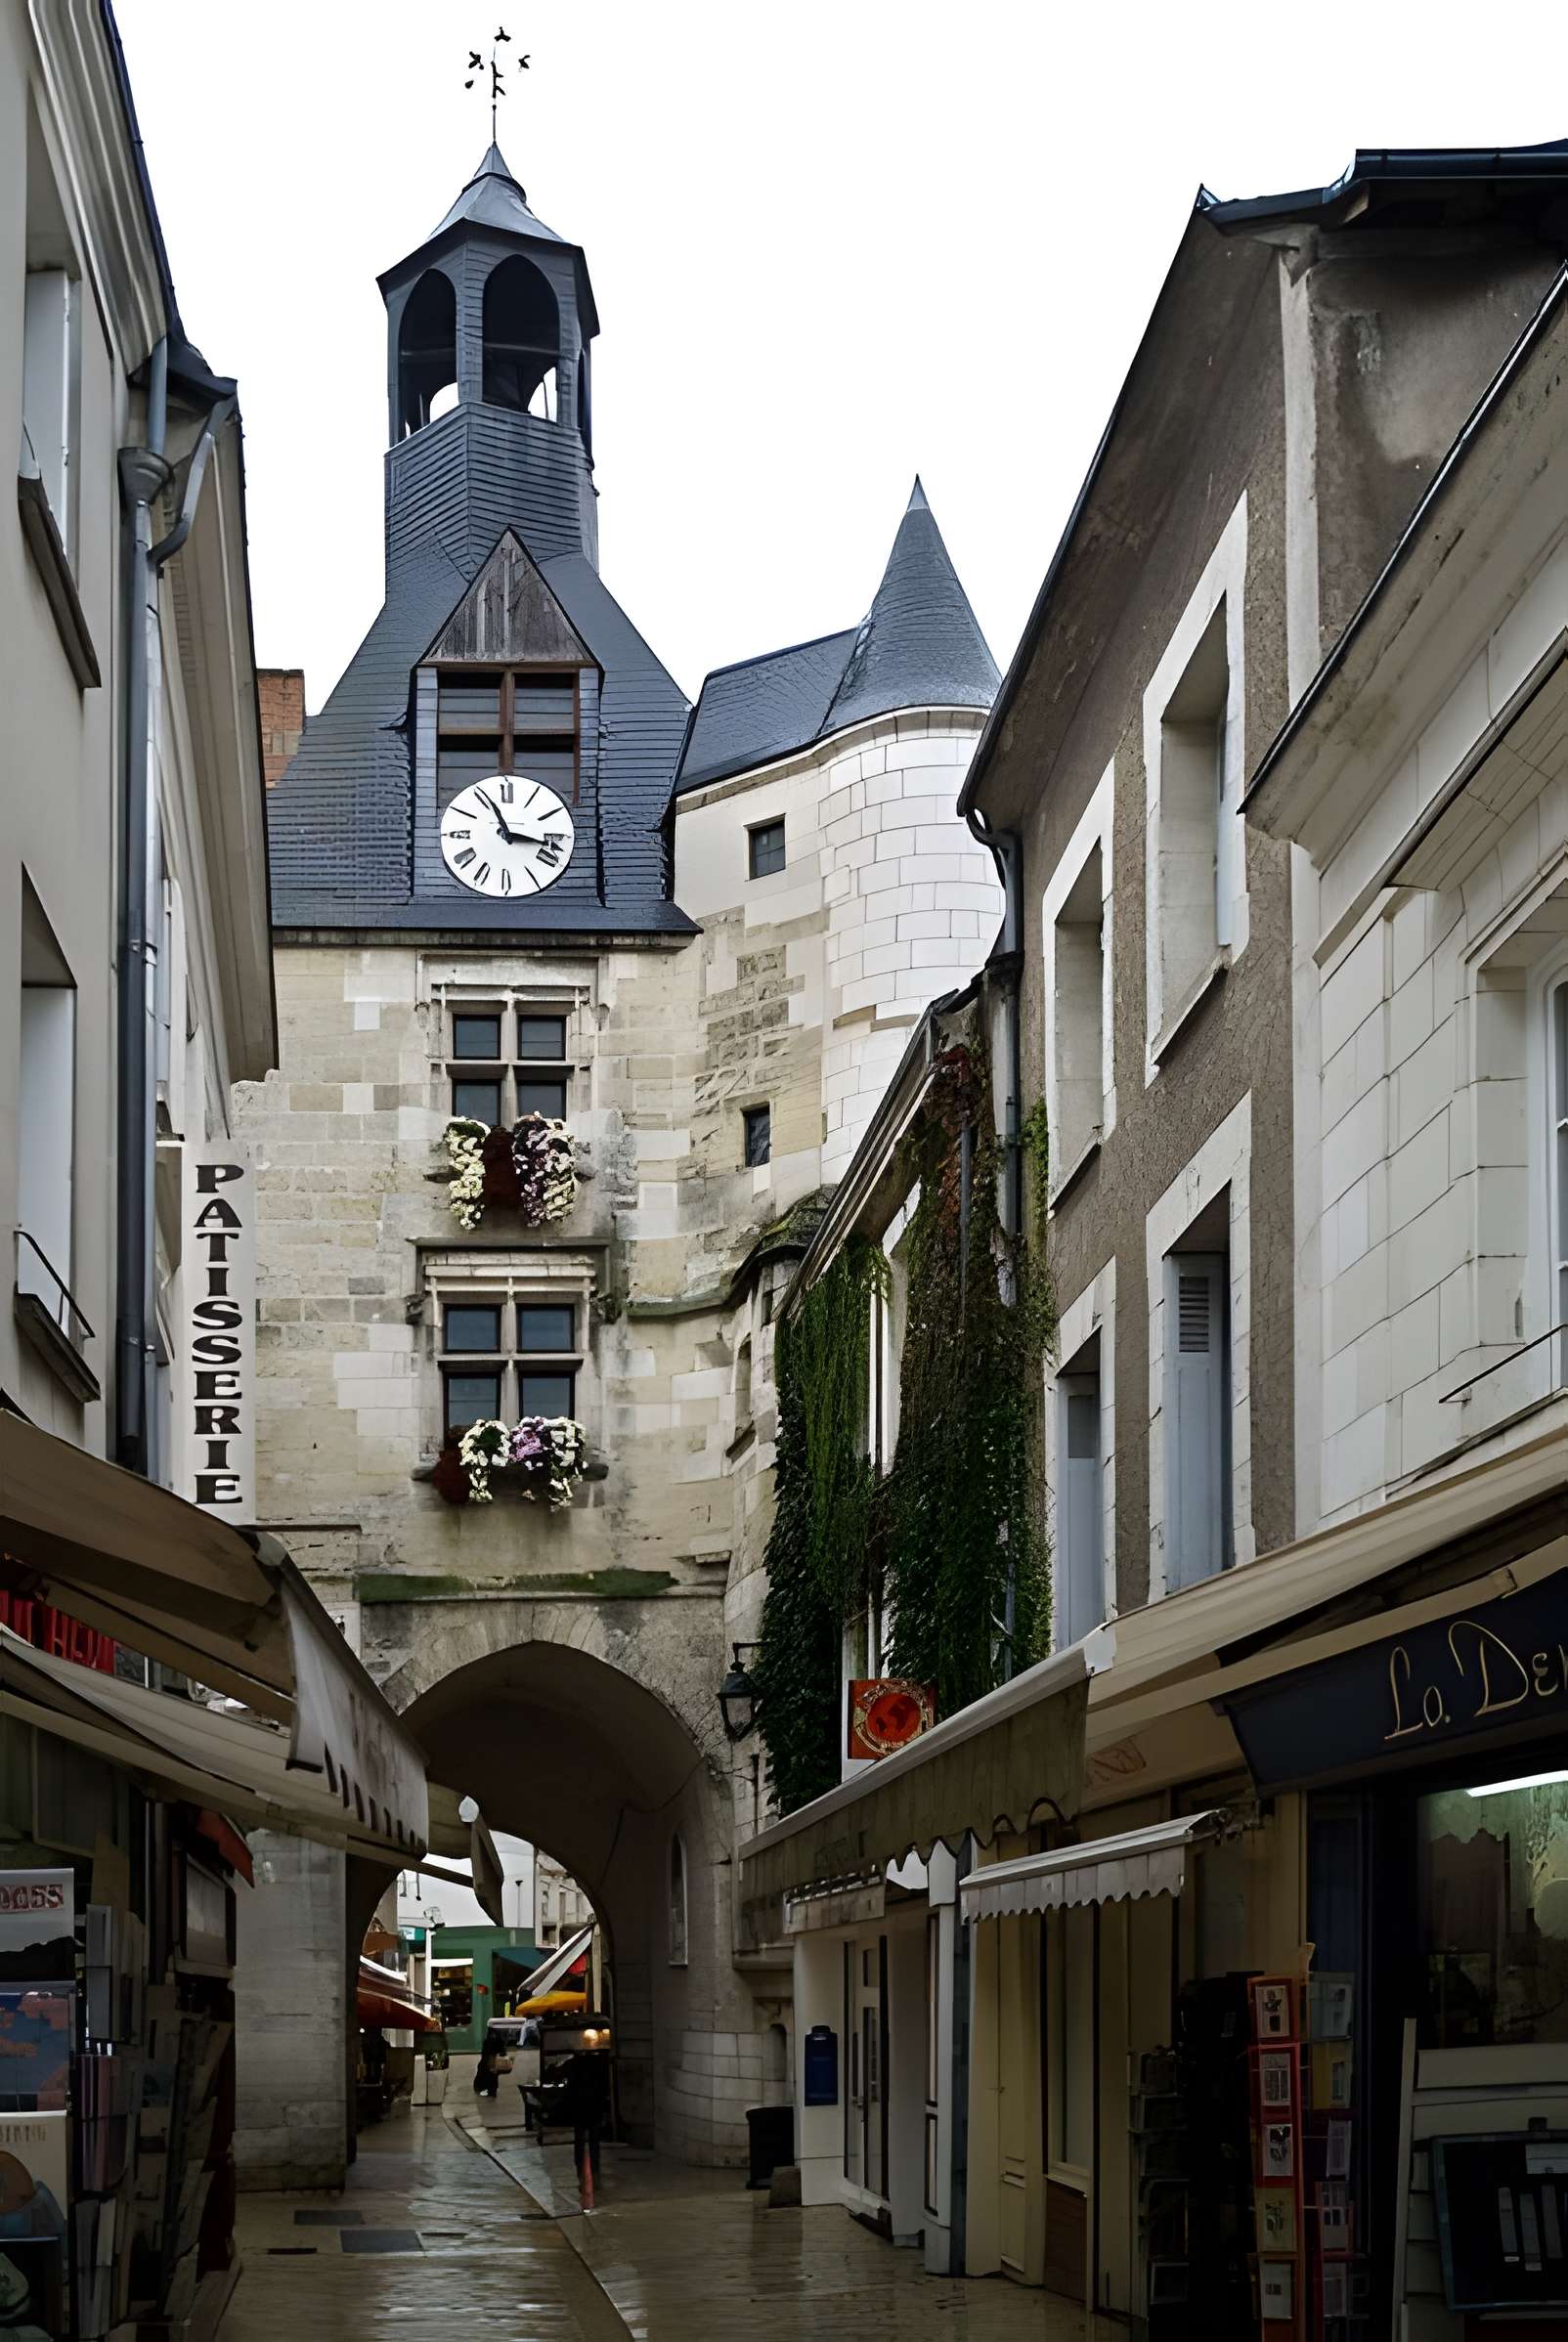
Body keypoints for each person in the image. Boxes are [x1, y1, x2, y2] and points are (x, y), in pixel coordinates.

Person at [560, 2048, 609, 2193]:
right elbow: (605, 2086)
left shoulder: (573, 2064)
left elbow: (560, 2075)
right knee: (594, 2143)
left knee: (579, 2142)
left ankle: (581, 2174)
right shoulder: (599, 2064)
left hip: (579, 2108)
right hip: (594, 2107)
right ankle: (595, 2174)